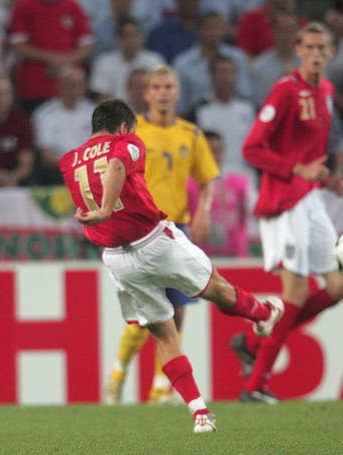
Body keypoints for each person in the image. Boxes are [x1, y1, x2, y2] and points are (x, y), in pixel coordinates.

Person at [59, 98, 284, 432]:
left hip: (118, 259)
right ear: (124, 127)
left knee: (163, 334)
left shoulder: (68, 161)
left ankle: (200, 414)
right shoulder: (127, 142)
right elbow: (117, 166)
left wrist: (103, 215)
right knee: (216, 289)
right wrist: (107, 208)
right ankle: (263, 315)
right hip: (154, 242)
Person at [233, 22, 343, 403]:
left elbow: (308, 154)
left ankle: (253, 342)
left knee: (339, 287)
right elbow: (251, 149)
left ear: (332, 52)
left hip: (311, 197)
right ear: (298, 50)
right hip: (285, 201)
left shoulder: (327, 91)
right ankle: (255, 387)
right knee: (296, 293)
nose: (317, 54)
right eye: (310, 47)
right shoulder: (285, 90)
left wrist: (325, 177)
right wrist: (296, 171)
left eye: (323, 48)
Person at [105, 65, 221, 405]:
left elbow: (207, 179)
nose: (164, 92)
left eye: (169, 86)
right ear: (146, 94)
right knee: (146, 315)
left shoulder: (191, 134)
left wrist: (204, 210)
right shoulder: (133, 135)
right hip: (139, 231)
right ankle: (117, 376)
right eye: (157, 87)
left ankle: (159, 389)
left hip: (176, 229)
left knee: (178, 311)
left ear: (178, 92)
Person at [32, 66, 95, 184]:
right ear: (59, 86)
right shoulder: (44, 113)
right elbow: (46, 154)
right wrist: (73, 165)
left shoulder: (96, 112)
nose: (73, 89)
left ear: (84, 87)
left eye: (77, 84)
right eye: (69, 84)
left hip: (90, 169)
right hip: (58, 170)